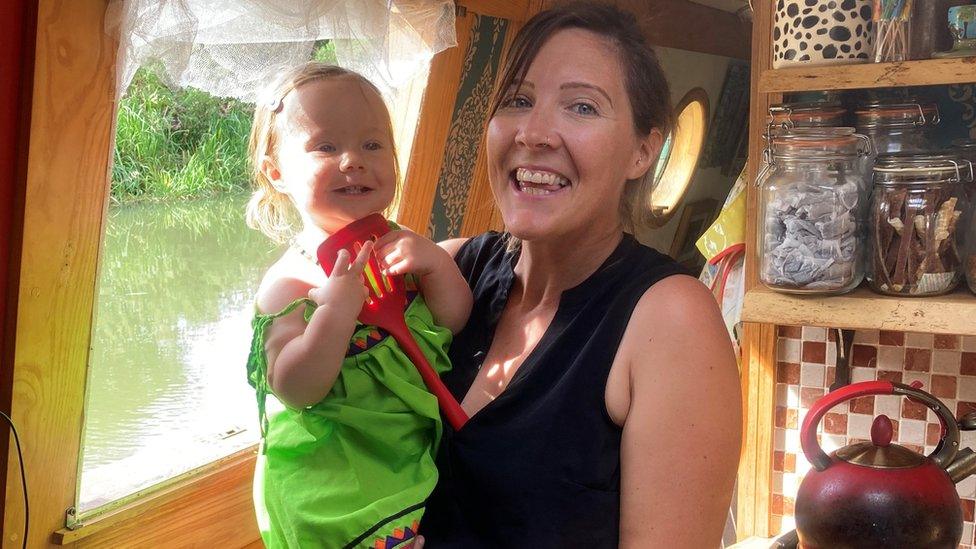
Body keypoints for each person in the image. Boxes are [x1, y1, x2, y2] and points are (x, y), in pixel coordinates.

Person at [419, 3, 742, 547]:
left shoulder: (669, 321)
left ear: (644, 149)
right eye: (518, 100)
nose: (535, 132)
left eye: (582, 107)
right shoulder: (447, 271)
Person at [243, 62, 472, 548]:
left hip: (402, 448)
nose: (354, 160)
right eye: (326, 146)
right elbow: (297, 388)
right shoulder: (290, 284)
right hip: (331, 468)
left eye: (372, 144)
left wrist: (435, 265)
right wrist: (334, 313)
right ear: (277, 172)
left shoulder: (402, 247)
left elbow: (451, 323)